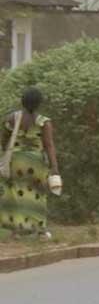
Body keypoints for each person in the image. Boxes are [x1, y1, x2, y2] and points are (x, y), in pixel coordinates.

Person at [0, 87, 60, 239]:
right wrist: (54, 168)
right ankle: (40, 230)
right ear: (39, 103)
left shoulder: (11, 118)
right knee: (38, 195)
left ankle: (16, 231)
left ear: (22, 101)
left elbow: (3, 141)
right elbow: (49, 145)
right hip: (36, 163)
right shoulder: (43, 122)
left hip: (16, 161)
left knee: (15, 195)